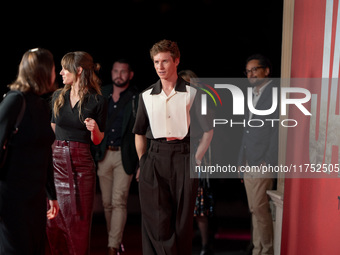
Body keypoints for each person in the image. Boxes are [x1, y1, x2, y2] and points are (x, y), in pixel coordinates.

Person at [133, 39, 214, 255]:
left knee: (182, 223)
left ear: (176, 61)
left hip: (184, 157)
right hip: (155, 158)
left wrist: (196, 159)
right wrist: (143, 161)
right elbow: (139, 132)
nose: (160, 66)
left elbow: (208, 130)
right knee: (156, 222)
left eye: (165, 61)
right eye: (156, 62)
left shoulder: (193, 93)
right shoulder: (146, 96)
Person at [46, 51, 107, 255]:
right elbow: (53, 128)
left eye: (65, 68)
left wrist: (94, 129)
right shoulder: (58, 96)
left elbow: (98, 140)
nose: (61, 72)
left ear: (79, 70)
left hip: (81, 164)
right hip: (57, 163)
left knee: (79, 222)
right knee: (55, 222)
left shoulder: (97, 100)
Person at [0, 48, 59, 254]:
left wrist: (52, 193)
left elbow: (45, 153)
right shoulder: (14, 101)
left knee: (34, 248)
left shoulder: (41, 105)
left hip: (35, 197)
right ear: (44, 71)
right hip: (11, 198)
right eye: (53, 67)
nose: (56, 72)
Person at [94, 59, 139, 255]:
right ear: (111, 72)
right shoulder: (101, 93)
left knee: (119, 200)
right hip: (104, 154)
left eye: (123, 71)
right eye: (116, 71)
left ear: (130, 75)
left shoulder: (136, 97)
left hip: (124, 155)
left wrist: (140, 161)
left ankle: (112, 246)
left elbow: (141, 131)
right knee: (106, 202)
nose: (119, 75)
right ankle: (116, 238)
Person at [237, 54, 278, 255]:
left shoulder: (275, 93)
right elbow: (246, 131)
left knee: (261, 211)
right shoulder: (253, 94)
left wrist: (268, 161)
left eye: (255, 69)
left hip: (263, 162)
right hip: (249, 161)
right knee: (254, 211)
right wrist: (241, 160)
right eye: (248, 71)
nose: (251, 74)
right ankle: (257, 250)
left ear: (266, 71)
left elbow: (277, 130)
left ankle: (267, 251)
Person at [178, 69, 214, 255]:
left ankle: (205, 245)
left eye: (188, 82)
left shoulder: (202, 102)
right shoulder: (176, 103)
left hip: (198, 156)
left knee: (199, 204)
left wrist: (198, 157)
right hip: (179, 156)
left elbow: (209, 132)